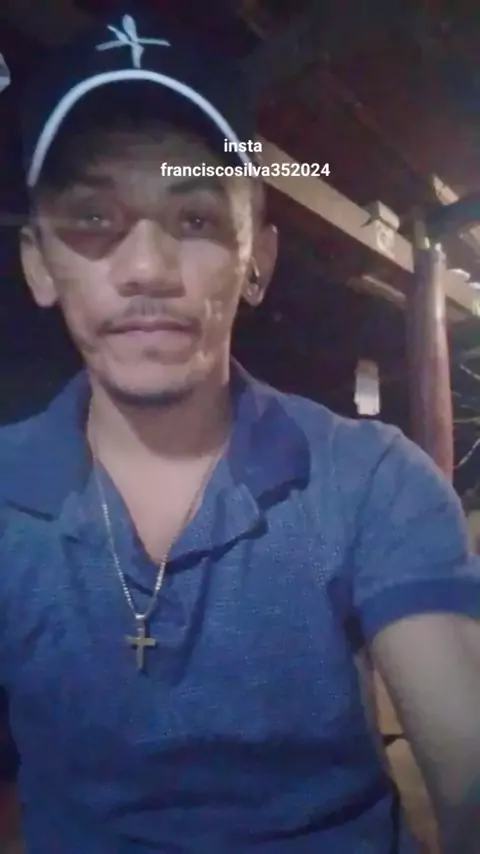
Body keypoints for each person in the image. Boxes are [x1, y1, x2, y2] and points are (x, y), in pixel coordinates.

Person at [0, 8, 479, 854]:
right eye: (92, 219)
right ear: (39, 264)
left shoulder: (372, 478)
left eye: (193, 220)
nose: (146, 269)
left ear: (257, 261)